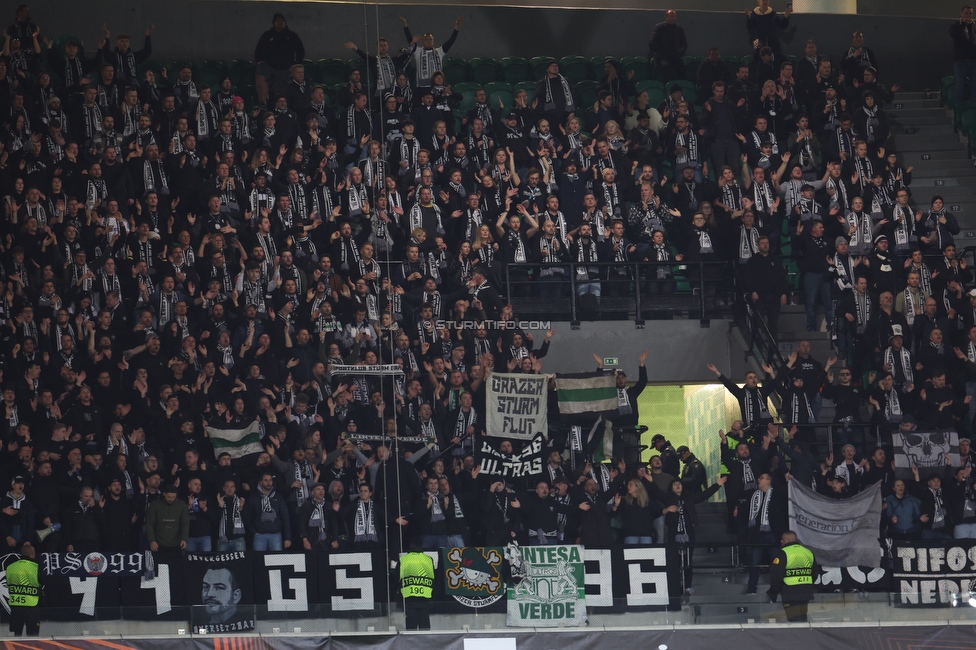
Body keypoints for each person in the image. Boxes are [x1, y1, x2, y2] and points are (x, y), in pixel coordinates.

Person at [254, 13, 305, 106]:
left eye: (282, 21)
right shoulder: (267, 35)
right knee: (260, 74)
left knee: (283, 89)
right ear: (273, 23)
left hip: (286, 66)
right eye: (278, 21)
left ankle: (282, 105)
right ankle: (263, 102)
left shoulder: (292, 35)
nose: (280, 23)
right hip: (269, 64)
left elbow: (300, 50)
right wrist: (259, 60)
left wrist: (296, 64)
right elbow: (258, 50)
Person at [767, 530, 817, 622]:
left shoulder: (783, 553)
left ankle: (798, 636)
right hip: (806, 591)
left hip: (790, 591)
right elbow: (815, 573)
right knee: (803, 619)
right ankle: (804, 636)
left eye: (782, 539)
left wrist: (773, 592)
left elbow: (776, 575)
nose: (780, 541)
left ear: (787, 540)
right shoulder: (808, 552)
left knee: (793, 620)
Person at [6, 542, 40, 636]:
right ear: (32, 554)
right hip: (32, 605)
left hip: (15, 605)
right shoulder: (36, 567)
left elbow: (8, 582)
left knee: (15, 636)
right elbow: (42, 583)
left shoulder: (10, 567)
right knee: (32, 636)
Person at [399, 541, 435, 630]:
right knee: (425, 627)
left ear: (411, 546)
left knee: (411, 628)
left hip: (409, 596)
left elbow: (397, 577)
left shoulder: (404, 559)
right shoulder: (428, 559)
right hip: (425, 596)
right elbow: (434, 575)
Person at [200, 565, 243, 631]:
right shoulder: (200, 622)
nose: (209, 594)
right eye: (206, 587)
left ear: (236, 596)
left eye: (219, 588)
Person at [648, 9, 688, 82]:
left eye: (674, 16)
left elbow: (684, 44)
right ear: (666, 17)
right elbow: (652, 43)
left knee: (683, 69)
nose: (673, 18)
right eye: (671, 16)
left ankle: (680, 89)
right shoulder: (659, 28)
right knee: (667, 69)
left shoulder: (679, 30)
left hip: (675, 56)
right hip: (663, 57)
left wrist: (680, 52)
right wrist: (661, 52)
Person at [951, 6, 976, 105]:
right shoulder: (956, 26)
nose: (968, 16)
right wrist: (963, 24)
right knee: (960, 85)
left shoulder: (974, 26)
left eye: (970, 13)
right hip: (960, 61)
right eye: (966, 13)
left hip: (973, 60)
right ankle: (958, 110)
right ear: (961, 14)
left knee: (975, 86)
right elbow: (954, 36)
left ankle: (973, 110)